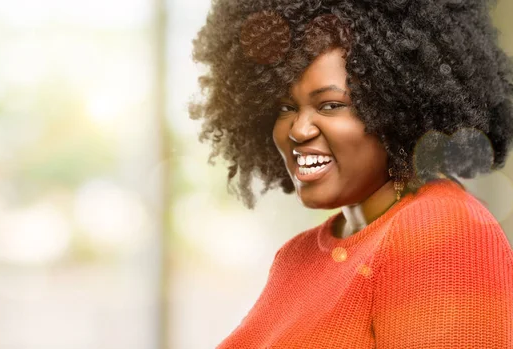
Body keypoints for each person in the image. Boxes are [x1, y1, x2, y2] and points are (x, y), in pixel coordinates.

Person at [189, 0, 513, 348]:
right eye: (285, 108)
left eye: (330, 105)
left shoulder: (442, 231)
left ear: (396, 107)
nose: (298, 130)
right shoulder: (296, 257)